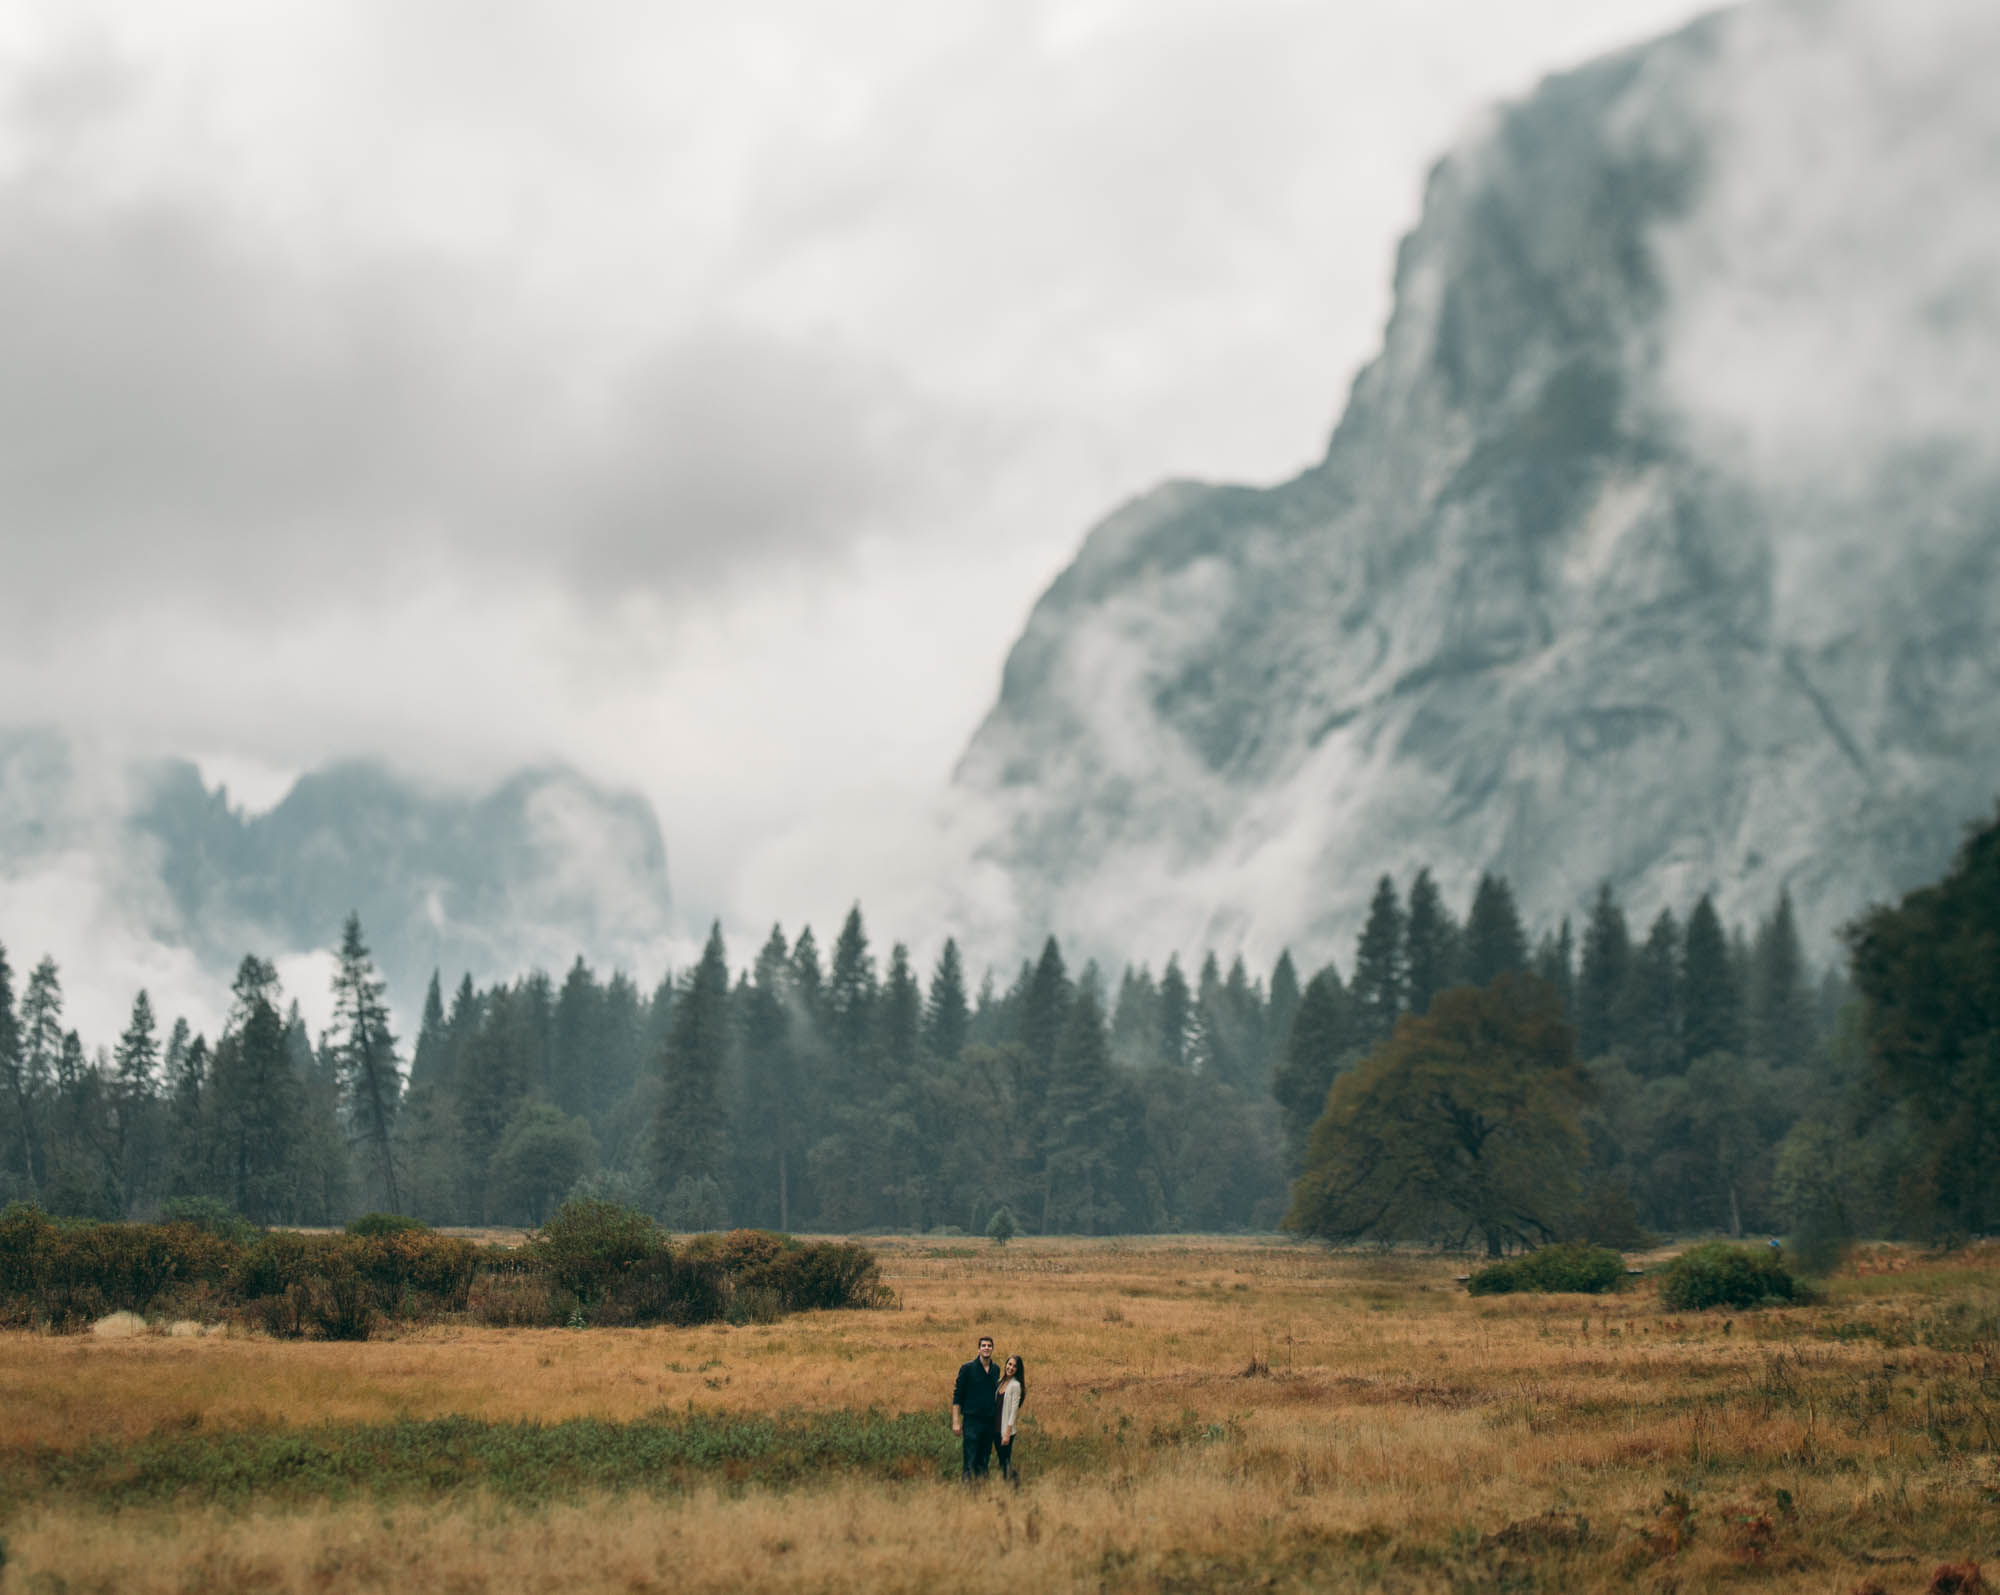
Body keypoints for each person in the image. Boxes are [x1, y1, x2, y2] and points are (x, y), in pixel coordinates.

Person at [951, 1334, 1002, 1480]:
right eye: (983, 1346)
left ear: (992, 1349)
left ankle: (981, 1494)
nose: (986, 1348)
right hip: (972, 1420)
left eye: (989, 1346)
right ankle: (967, 1493)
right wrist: (956, 1421)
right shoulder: (967, 1368)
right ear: (978, 1349)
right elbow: (957, 1395)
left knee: (984, 1459)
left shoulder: (996, 1370)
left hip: (989, 1420)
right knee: (970, 1458)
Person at [995, 1353, 1026, 1482]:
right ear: (1005, 1365)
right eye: (1009, 1364)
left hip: (1005, 1430)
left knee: (1005, 1460)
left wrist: (1007, 1433)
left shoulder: (1015, 1385)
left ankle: (1014, 1484)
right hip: (995, 1428)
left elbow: (1014, 1411)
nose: (1011, 1368)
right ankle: (1008, 1483)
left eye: (1014, 1366)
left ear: (1018, 1370)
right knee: (1002, 1460)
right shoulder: (1000, 1382)